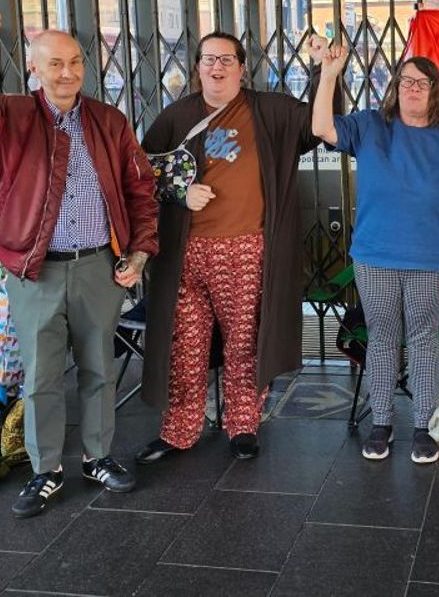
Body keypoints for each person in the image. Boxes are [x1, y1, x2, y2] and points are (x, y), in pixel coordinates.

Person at [0, 10, 158, 518]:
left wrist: (139, 251)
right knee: (42, 376)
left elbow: (140, 188)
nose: (67, 72)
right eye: (55, 63)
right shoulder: (7, 115)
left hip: (100, 268)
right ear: (34, 68)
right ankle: (46, 469)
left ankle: (97, 457)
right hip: (35, 270)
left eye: (75, 62)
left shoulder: (109, 121)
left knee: (100, 370)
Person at [133, 32, 326, 463]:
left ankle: (242, 424)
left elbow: (318, 126)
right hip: (184, 254)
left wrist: (323, 73)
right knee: (185, 346)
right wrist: (179, 193)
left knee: (244, 343)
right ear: (197, 67)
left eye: (226, 60)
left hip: (245, 249)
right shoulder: (176, 116)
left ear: (242, 68)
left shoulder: (270, 110)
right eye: (208, 59)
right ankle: (179, 430)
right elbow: (142, 172)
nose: (216, 67)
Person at [312, 45, 439, 463]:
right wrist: (328, 74)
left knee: (423, 340)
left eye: (422, 82)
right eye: (406, 81)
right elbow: (322, 128)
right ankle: (381, 424)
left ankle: (424, 426)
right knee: (382, 339)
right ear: (395, 88)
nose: (413, 89)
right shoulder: (371, 125)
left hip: (431, 260)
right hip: (375, 257)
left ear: (435, 91)